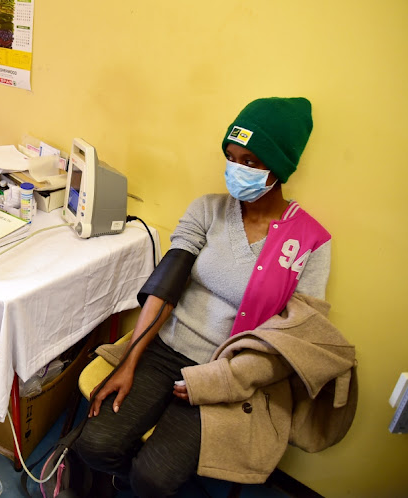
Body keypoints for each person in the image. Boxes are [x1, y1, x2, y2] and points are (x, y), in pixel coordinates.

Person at [75, 97, 355, 496]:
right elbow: (164, 287)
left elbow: (295, 340)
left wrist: (221, 381)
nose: (237, 169)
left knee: (155, 479)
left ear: (280, 167)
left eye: (251, 162)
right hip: (165, 350)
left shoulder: (309, 242)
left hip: (228, 371)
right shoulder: (208, 210)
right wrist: (129, 360)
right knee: (95, 446)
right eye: (231, 156)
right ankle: (131, 478)